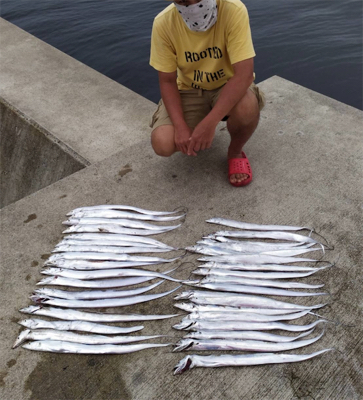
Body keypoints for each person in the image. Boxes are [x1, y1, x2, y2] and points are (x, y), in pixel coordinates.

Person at [149, 0, 265, 186]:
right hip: (189, 88)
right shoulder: (163, 22)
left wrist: (209, 124)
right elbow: (167, 80)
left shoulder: (233, 9)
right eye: (184, 2)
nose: (193, 5)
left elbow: (243, 75)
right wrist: (180, 126)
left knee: (246, 107)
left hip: (229, 83)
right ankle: (194, 127)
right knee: (163, 143)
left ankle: (235, 152)